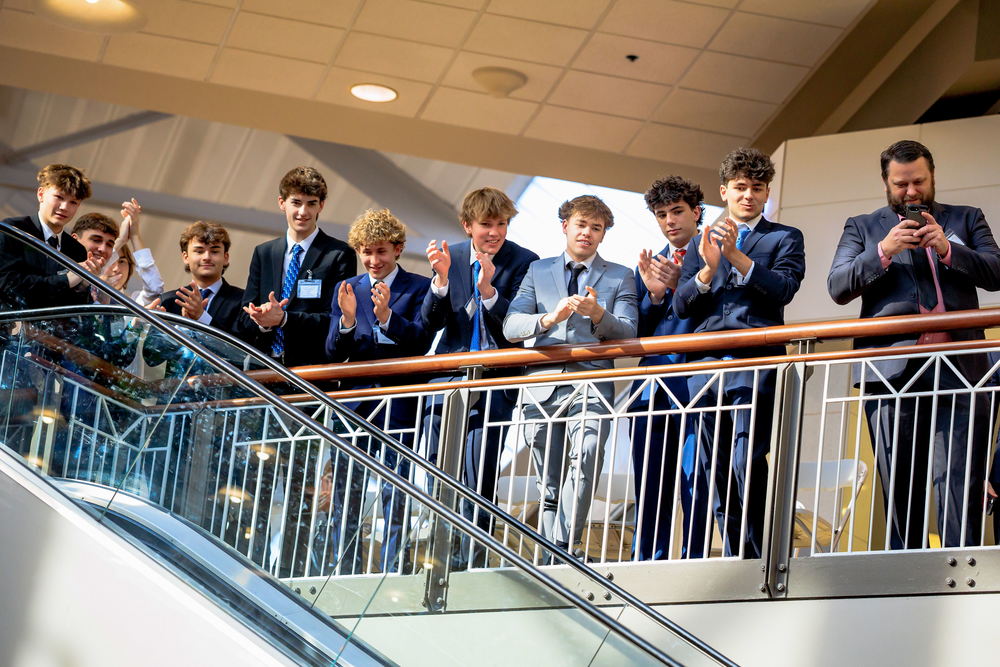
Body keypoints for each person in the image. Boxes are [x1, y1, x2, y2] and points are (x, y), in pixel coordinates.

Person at [828, 139, 1000, 549]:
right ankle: (903, 565)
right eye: (900, 184)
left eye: (918, 182)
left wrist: (947, 248)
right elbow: (837, 286)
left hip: (963, 370)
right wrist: (884, 251)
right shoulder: (863, 226)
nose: (910, 193)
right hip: (892, 371)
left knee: (959, 475)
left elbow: (996, 272)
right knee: (900, 477)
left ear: (933, 176)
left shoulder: (966, 217)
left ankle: (963, 566)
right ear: (886, 182)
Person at [673, 147, 805, 559]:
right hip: (707, 368)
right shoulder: (702, 240)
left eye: (758, 188)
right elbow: (681, 306)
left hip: (756, 365)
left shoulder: (785, 236)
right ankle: (736, 555)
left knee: (748, 460)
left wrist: (736, 257)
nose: (748, 195)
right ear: (724, 191)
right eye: (741, 188)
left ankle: (760, 554)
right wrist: (709, 269)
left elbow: (784, 290)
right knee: (716, 470)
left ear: (767, 194)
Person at [503, 195, 637, 556]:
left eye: (596, 228)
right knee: (549, 480)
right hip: (541, 385)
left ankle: (563, 545)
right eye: (581, 224)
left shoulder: (620, 275)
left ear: (603, 235)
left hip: (591, 383)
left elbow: (627, 332)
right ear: (565, 226)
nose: (587, 233)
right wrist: (548, 319)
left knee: (588, 454)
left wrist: (598, 314)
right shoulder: (537, 270)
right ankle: (551, 558)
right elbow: (511, 326)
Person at [421, 186, 538, 563]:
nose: (495, 232)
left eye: (502, 224)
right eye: (486, 224)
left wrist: (488, 290)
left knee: (479, 472)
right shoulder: (450, 257)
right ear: (467, 225)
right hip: (448, 376)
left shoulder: (524, 261)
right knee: (438, 467)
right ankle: (436, 553)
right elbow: (429, 323)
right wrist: (439, 283)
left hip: (494, 380)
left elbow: (517, 326)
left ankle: (471, 558)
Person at [321, 209, 433, 574]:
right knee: (346, 491)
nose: (373, 260)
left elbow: (420, 340)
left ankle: (392, 568)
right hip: (354, 406)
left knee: (394, 490)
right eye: (366, 252)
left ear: (398, 249)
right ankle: (344, 568)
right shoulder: (348, 288)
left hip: (398, 404)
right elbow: (333, 351)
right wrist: (349, 320)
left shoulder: (418, 287)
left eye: (381, 251)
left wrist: (386, 316)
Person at [629, 175, 709, 560]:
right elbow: (635, 333)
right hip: (652, 383)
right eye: (661, 215)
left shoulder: (717, 254)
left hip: (701, 381)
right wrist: (654, 295)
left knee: (698, 481)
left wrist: (682, 285)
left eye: (677, 211)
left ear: (696, 212)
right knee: (650, 483)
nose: (669, 221)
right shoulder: (648, 264)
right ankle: (647, 561)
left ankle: (694, 559)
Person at [237, 167, 357, 367]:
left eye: (311, 204)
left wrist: (284, 318)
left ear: (321, 206)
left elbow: (334, 319)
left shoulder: (339, 254)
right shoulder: (264, 253)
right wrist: (262, 319)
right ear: (282, 203)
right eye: (296, 203)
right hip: (263, 369)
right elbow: (243, 318)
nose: (303, 212)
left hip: (310, 371)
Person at [0, 164, 96, 310]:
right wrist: (66, 280)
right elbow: (7, 283)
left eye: (73, 202)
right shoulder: (14, 230)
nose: (64, 207)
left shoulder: (76, 250)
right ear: (41, 194)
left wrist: (83, 284)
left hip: (54, 331)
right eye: (59, 197)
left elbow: (76, 308)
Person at [159, 221, 244, 335]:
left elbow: (243, 344)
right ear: (186, 257)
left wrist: (201, 317)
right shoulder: (168, 301)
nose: (207, 257)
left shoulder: (243, 301)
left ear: (225, 257)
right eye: (199, 251)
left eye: (214, 251)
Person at [102, 198, 164, 307]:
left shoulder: (133, 304)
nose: (116, 269)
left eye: (122, 262)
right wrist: (120, 240)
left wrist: (135, 235)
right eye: (112, 260)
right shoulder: (84, 292)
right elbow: (96, 268)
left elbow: (155, 289)